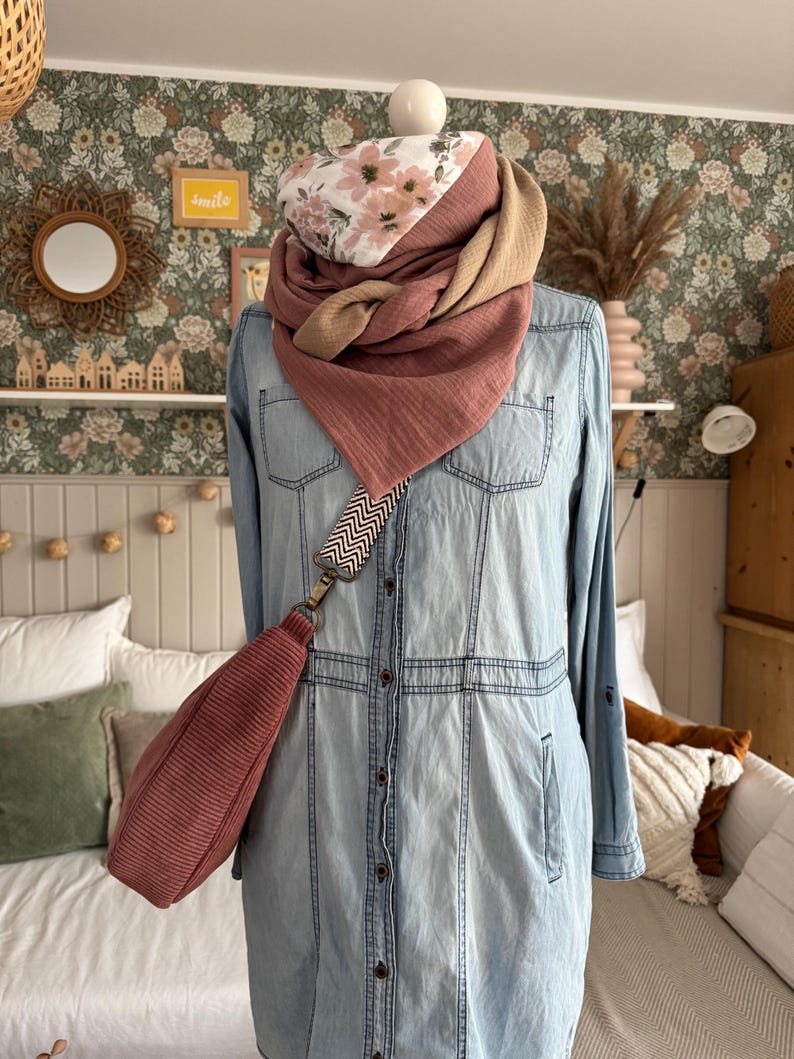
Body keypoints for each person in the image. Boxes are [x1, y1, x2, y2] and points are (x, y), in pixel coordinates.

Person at [226, 128, 644, 1059]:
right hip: (314, 805)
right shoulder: (264, 342)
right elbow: (263, 611)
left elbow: (589, 607)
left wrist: (608, 822)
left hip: (502, 804)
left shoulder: (565, 336)